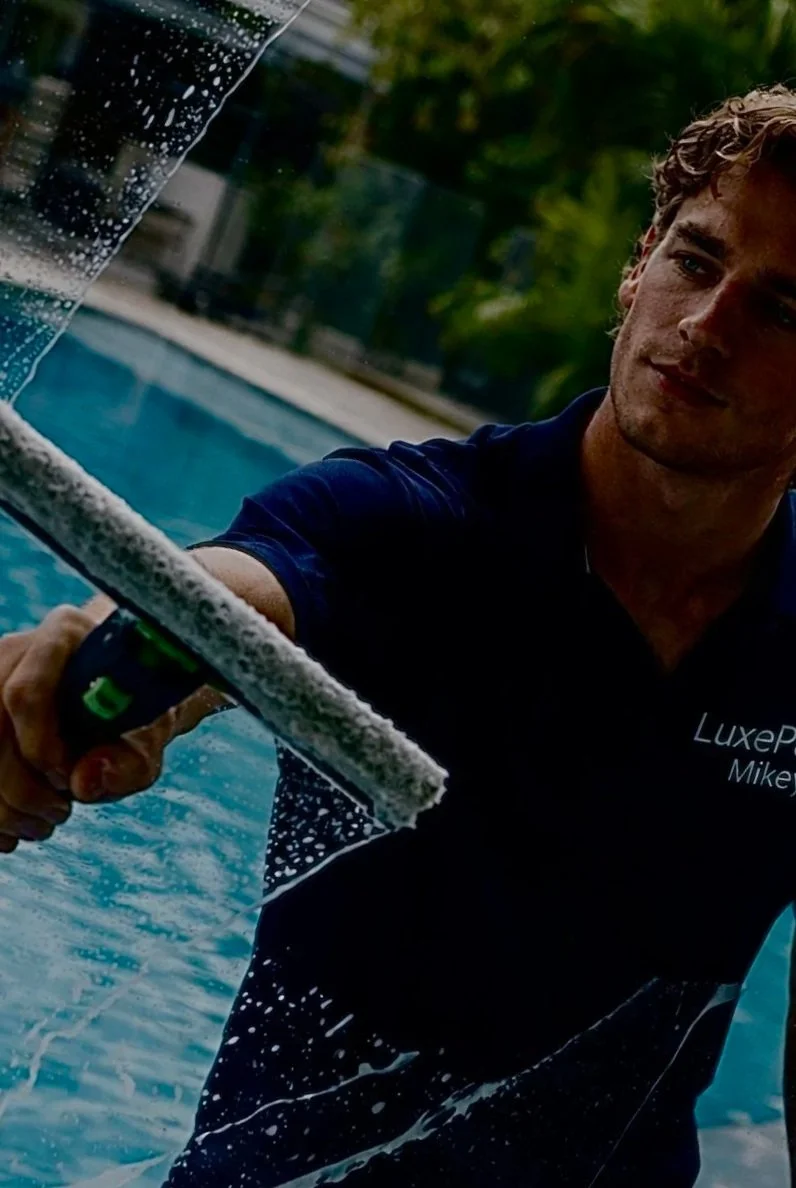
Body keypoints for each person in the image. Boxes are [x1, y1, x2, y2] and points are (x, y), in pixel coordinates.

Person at [4, 82, 796, 1186]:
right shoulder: (425, 526)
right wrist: (96, 669)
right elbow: (233, 591)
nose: (706, 328)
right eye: (696, 262)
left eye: (781, 309)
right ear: (639, 264)